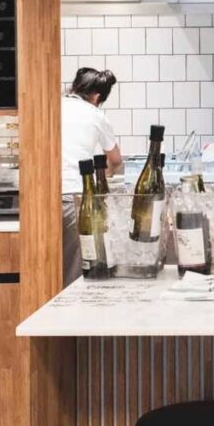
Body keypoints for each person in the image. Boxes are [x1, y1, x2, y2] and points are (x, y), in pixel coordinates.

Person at [61, 67, 121, 285]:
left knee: (47, 266)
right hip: (74, 198)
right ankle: (70, 316)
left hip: (42, 197)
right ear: (96, 97)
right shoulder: (95, 114)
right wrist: (96, 182)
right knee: (74, 271)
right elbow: (115, 161)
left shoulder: (51, 105)